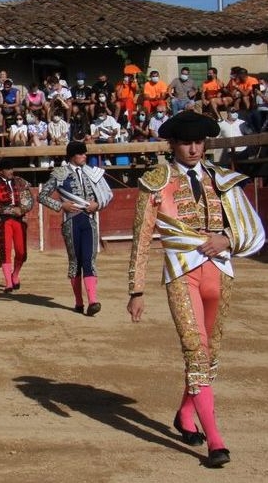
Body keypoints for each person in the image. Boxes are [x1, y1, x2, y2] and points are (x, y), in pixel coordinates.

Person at [126, 111, 264, 468]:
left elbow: (249, 228)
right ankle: (215, 442)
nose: (193, 149)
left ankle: (185, 415)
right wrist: (136, 290)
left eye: (199, 142)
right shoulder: (155, 182)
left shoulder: (222, 179)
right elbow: (142, 239)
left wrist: (226, 239)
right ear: (173, 144)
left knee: (210, 352)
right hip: (181, 273)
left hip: (220, 272)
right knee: (195, 351)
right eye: (186, 142)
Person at [38, 141, 113, 316]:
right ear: (72, 156)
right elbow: (41, 196)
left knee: (89, 260)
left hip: (89, 221)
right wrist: (61, 205)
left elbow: (106, 194)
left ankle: (93, 301)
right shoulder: (60, 174)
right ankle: (79, 302)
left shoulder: (91, 173)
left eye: (85, 153)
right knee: (75, 262)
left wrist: (97, 205)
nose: (84, 156)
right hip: (71, 222)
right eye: (81, 154)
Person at [0, 159, 34, 292]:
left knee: (21, 252)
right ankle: (8, 282)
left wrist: (23, 209)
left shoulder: (20, 182)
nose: (11, 171)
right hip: (4, 221)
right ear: (1, 171)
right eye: (8, 169)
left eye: (11, 169)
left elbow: (29, 200)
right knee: (6, 250)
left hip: (19, 220)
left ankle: (15, 275)